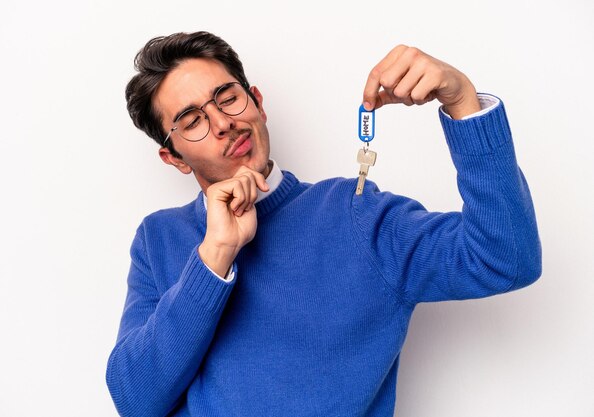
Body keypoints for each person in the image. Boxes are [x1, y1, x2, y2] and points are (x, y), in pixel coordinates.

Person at [106, 31, 541, 417]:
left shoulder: (354, 213)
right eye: (192, 121)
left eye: (227, 97)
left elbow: (506, 259)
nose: (223, 123)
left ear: (257, 101)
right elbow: (135, 401)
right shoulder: (158, 238)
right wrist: (215, 255)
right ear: (174, 157)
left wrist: (463, 103)